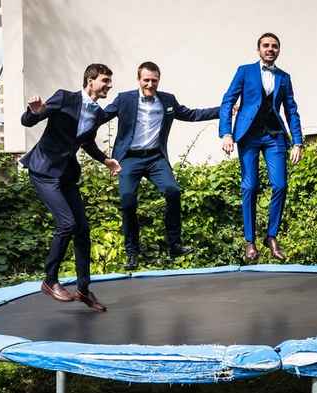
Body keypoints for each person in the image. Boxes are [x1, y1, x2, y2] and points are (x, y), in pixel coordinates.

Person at [20, 63, 121, 312]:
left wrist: (105, 159)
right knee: (67, 224)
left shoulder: (97, 113)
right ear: (90, 81)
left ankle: (84, 289)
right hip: (43, 171)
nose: (109, 85)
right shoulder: (65, 98)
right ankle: (50, 280)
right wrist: (33, 111)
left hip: (66, 175)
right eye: (105, 81)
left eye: (110, 81)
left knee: (82, 230)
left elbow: (85, 141)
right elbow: (29, 120)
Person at [102, 61, 220, 270]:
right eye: (146, 80)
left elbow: (191, 114)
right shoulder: (125, 99)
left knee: (173, 191)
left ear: (159, 80)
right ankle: (132, 252)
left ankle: (173, 244)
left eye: (154, 80)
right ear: (139, 80)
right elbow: (101, 117)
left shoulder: (167, 100)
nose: (150, 84)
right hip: (129, 158)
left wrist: (224, 110)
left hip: (155, 158)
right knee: (128, 201)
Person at [219, 32, 303, 261]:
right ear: (259, 50)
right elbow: (228, 100)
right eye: (266, 46)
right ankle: (250, 241)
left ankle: (271, 236)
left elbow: (291, 110)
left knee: (281, 184)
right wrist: (226, 132)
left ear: (278, 51)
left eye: (274, 46)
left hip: (274, 136)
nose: (270, 49)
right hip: (249, 136)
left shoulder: (284, 77)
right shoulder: (245, 71)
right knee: (250, 186)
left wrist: (297, 141)